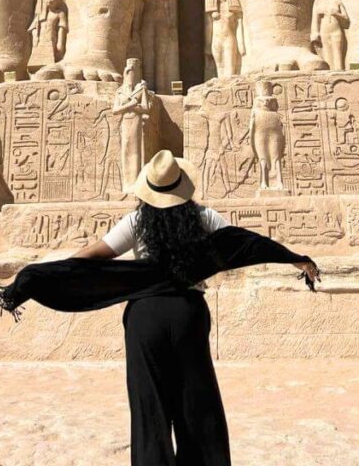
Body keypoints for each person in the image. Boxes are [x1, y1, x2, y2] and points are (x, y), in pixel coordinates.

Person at [71, 149, 320, 466]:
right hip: (188, 312)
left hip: (145, 315)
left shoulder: (136, 222)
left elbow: (92, 254)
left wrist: (50, 276)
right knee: (196, 400)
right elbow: (245, 244)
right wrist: (294, 257)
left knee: (150, 406)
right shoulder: (204, 217)